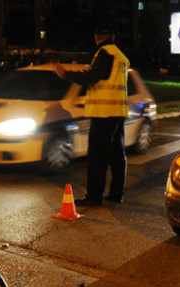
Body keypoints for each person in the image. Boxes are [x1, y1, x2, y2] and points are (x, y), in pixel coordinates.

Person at [51, 24, 130, 206]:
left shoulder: (104, 53)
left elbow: (93, 75)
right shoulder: (121, 57)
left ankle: (94, 196)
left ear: (96, 38)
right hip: (118, 112)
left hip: (104, 113)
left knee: (97, 156)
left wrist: (65, 73)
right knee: (117, 155)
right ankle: (116, 194)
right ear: (113, 36)